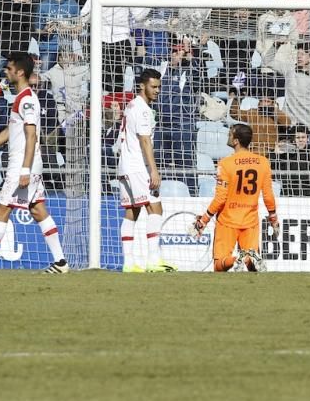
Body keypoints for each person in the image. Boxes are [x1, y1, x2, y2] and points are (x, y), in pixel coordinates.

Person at [0, 53, 69, 274]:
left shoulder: (27, 99)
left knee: (2, 210)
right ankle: (61, 262)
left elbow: (31, 135)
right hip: (27, 164)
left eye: (9, 69)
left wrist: (25, 169)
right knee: (37, 210)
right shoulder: (21, 98)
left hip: (22, 165)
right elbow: (11, 130)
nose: (5, 72)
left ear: (20, 72)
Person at [191, 124, 278, 273]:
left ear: (236, 141)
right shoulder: (263, 162)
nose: (228, 137)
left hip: (227, 221)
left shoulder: (225, 164)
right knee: (251, 266)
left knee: (219, 264)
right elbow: (268, 195)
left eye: (230, 134)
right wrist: (273, 218)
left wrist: (203, 220)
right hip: (250, 221)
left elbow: (220, 198)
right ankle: (247, 259)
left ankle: (237, 259)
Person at [116, 68, 173, 273]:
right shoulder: (142, 110)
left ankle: (129, 263)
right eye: (153, 86)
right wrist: (154, 171)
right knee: (155, 209)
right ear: (142, 85)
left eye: (159, 87)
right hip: (138, 166)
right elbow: (145, 140)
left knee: (132, 212)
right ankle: (153, 260)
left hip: (125, 165)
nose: (157, 91)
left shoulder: (132, 105)